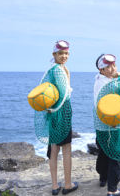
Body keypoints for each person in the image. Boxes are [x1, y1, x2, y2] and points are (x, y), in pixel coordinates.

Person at [93, 54, 120, 196]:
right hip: (114, 124)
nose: (112, 68)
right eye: (107, 67)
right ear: (101, 70)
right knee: (117, 153)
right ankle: (112, 189)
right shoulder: (113, 83)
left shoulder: (98, 80)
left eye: (113, 65)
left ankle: (103, 178)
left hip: (101, 124)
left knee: (104, 151)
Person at [47, 40, 78, 195]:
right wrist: (68, 76)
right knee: (66, 149)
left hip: (52, 112)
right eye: (61, 53)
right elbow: (64, 94)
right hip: (62, 111)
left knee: (54, 148)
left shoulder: (52, 69)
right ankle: (67, 184)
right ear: (54, 54)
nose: (64, 56)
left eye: (66, 53)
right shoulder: (60, 70)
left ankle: (54, 186)